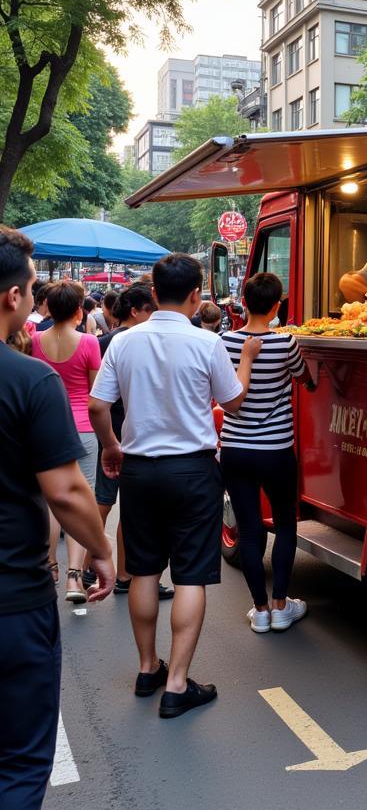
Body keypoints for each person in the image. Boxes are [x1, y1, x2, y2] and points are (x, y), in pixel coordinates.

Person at [89, 254, 261, 718]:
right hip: (193, 470)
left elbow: (98, 406)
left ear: (154, 290)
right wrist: (245, 363)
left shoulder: (124, 342)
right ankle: (178, 684)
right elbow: (235, 403)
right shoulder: (206, 343)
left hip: (140, 469)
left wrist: (110, 448)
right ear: (194, 293)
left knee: (143, 570)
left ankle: (148, 669)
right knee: (191, 574)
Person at [0, 224, 114, 810]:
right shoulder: (28, 380)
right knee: (19, 762)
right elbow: (68, 492)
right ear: (13, 298)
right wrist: (100, 550)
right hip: (12, 598)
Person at [220, 272, 316, 633]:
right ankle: (281, 605)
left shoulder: (225, 341)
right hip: (276, 449)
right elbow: (303, 376)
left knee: (247, 528)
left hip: (235, 448)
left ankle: (259, 609)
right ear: (278, 305)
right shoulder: (286, 343)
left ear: (244, 302)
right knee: (284, 522)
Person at [94, 284, 173, 600]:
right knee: (128, 507)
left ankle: (96, 562)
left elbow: (96, 397)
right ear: (136, 310)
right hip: (128, 430)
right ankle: (118, 569)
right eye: (149, 309)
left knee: (107, 500)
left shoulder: (106, 342)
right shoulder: (135, 342)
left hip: (110, 430)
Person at [31, 280, 102, 603]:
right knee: (80, 499)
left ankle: (49, 567)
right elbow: (94, 392)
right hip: (84, 428)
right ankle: (75, 578)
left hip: (45, 425)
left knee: (50, 499)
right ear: (78, 310)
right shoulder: (88, 343)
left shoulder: (33, 340)